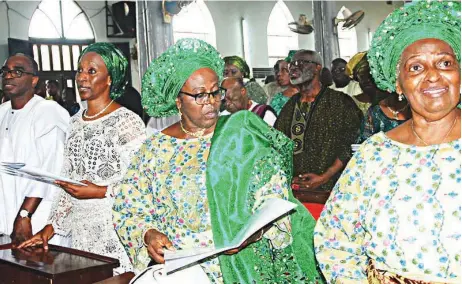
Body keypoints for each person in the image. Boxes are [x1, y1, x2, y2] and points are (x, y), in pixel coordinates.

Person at [113, 38, 322, 283]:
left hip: (239, 263)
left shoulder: (241, 134)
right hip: (182, 269)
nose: (211, 102)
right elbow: (130, 207)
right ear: (178, 101)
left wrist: (253, 232)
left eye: (216, 92)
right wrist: (148, 234)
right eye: (200, 95)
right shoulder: (155, 149)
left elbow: (273, 193)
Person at [314, 1, 461, 283]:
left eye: (445, 63)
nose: (433, 75)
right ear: (398, 85)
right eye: (416, 67)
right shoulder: (375, 154)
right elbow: (335, 239)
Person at [19, 43, 146, 274]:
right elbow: (68, 181)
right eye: (80, 70)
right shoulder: (75, 122)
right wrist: (49, 230)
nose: (82, 78)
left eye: (92, 71)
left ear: (110, 79)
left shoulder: (127, 122)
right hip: (81, 235)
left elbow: (142, 184)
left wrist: (99, 191)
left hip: (115, 230)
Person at [0, 53, 69, 244]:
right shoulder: (2, 112)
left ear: (34, 80)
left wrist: (24, 214)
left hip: (37, 220)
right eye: (5, 71)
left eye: (18, 71)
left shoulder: (48, 112)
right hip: (6, 217)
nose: (8, 76)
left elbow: (48, 169)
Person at [275, 50, 362, 192]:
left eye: (301, 63)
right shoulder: (290, 106)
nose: (293, 68)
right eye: (291, 65)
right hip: (296, 191)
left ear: (317, 67)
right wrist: (288, 178)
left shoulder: (340, 102)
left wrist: (325, 176)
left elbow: (350, 143)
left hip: (333, 190)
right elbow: (278, 145)